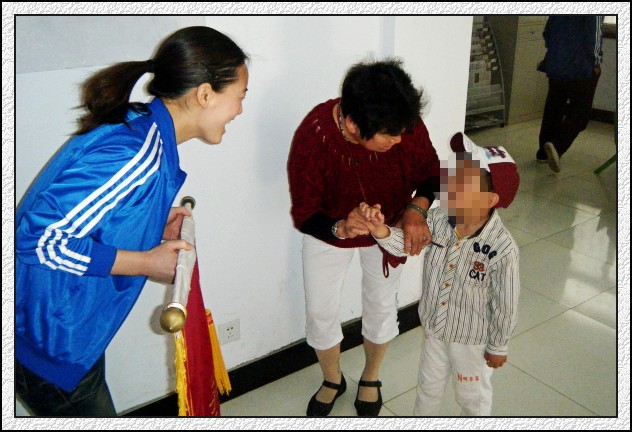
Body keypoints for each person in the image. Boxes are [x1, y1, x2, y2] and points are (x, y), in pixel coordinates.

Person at [15, 26, 249, 416]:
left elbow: (96, 215)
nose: (239, 110)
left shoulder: (143, 127)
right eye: (240, 96)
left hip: (63, 326)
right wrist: (145, 262)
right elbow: (37, 239)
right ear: (206, 94)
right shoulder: (136, 152)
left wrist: (152, 222)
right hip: (44, 336)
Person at [287, 59, 440, 417]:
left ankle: (371, 376)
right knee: (320, 310)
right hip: (329, 228)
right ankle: (332, 378)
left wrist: (416, 209)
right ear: (353, 125)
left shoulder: (400, 122)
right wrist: (341, 227)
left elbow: (432, 173)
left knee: (382, 304)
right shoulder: (314, 136)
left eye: (402, 131)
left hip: (388, 227)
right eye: (389, 135)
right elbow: (305, 213)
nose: (399, 140)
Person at [359, 132, 521, 416]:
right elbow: (405, 242)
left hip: (471, 342)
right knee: (428, 388)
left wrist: (498, 346)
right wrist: (380, 230)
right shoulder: (438, 220)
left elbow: (505, 303)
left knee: (472, 398)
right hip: (434, 330)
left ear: (490, 199)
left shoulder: (502, 248)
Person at [536, 15, 604, 173]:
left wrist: (558, 52)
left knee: (554, 108)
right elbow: (594, 37)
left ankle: (542, 153)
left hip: (556, 63)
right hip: (581, 68)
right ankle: (556, 147)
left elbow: (547, 32)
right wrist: (596, 62)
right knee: (581, 114)